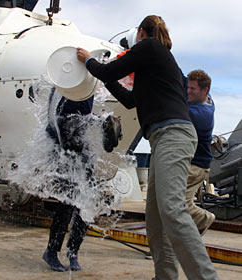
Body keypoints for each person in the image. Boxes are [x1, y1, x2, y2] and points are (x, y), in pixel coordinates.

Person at [77, 15, 219, 280]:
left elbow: (108, 70)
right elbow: (131, 101)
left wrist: (87, 60)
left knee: (172, 208)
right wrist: (107, 80)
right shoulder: (163, 68)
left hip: (173, 135)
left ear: (141, 33)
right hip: (164, 138)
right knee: (156, 221)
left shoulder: (150, 47)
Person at [42, 88, 94, 272]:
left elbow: (86, 116)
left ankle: (73, 251)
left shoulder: (88, 85)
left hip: (81, 146)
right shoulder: (62, 86)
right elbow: (53, 118)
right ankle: (52, 251)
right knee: (67, 203)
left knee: (88, 202)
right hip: (63, 147)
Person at [186, 70, 215, 235]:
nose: (188, 91)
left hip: (196, 166)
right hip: (196, 163)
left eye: (192, 89)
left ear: (205, 90)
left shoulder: (199, 114)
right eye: (188, 87)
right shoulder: (209, 101)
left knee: (176, 204)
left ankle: (203, 219)